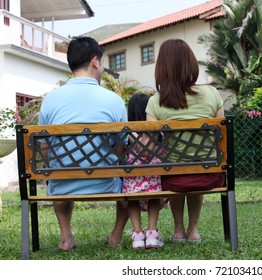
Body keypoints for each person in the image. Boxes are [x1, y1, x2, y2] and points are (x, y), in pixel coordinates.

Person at [38, 36, 128, 251]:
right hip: (105, 183)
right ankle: (115, 235)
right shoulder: (113, 99)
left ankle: (66, 237)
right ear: (95, 62)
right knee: (130, 180)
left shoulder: (51, 99)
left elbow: (43, 147)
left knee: (57, 172)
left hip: (61, 183)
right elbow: (123, 146)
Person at [145, 39, 225, 243]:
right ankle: (194, 229)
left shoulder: (156, 102)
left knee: (175, 166)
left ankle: (179, 229)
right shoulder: (212, 94)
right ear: (191, 63)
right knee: (199, 164)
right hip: (210, 175)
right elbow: (221, 136)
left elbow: (150, 147)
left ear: (162, 67)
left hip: (173, 177)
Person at [121, 93, 167, 250]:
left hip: (132, 181)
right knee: (154, 192)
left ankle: (138, 235)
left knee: (132, 195)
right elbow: (148, 151)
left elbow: (141, 151)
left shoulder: (127, 133)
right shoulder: (158, 132)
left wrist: (131, 132)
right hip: (155, 179)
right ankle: (152, 233)